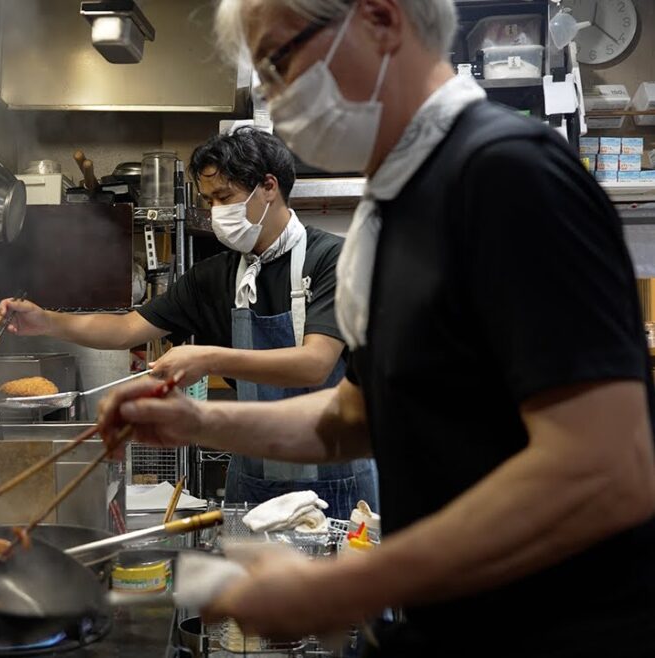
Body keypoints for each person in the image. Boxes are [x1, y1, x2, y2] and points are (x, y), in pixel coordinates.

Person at [97, 0, 655, 655]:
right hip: (452, 619)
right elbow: (356, 415)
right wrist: (197, 423)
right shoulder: (395, 202)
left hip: (553, 629)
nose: (275, 95)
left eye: (279, 61)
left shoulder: (504, 174)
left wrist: (344, 587)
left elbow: (606, 470)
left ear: (381, 19)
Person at [0, 128, 377, 518]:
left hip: (336, 475)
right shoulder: (214, 275)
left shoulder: (332, 259)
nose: (215, 212)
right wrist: (47, 321)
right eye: (208, 200)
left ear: (268, 187)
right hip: (253, 474)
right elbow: (127, 328)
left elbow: (315, 364)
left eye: (224, 197)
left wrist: (208, 358)